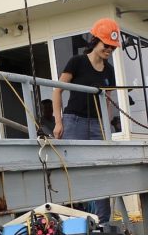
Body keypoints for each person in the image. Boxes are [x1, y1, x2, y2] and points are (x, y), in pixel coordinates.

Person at [52, 17, 121, 223]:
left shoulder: (109, 70)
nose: (109, 49)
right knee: (71, 170)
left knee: (100, 170)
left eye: (112, 47)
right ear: (95, 41)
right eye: (106, 45)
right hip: (74, 122)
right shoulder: (77, 62)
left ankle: (103, 220)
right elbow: (57, 91)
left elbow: (107, 100)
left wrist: (106, 125)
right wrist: (58, 122)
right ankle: (67, 219)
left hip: (97, 125)